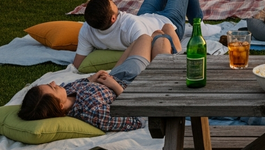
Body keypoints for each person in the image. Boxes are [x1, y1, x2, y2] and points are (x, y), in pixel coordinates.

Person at [18, 33, 164, 131]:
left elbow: (80, 84)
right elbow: (137, 119)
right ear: (60, 106)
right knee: (157, 37)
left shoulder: (66, 92)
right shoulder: (94, 113)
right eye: (53, 88)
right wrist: (115, 86)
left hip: (117, 74)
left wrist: (92, 79)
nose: (56, 83)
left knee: (143, 38)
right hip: (133, 83)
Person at [72, 0, 203, 69]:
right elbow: (148, 51)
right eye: (112, 3)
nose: (113, 2)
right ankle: (198, 22)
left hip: (144, 16)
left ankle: (169, 0)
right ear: (113, 18)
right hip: (168, 22)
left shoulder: (87, 29)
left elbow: (78, 64)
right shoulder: (130, 26)